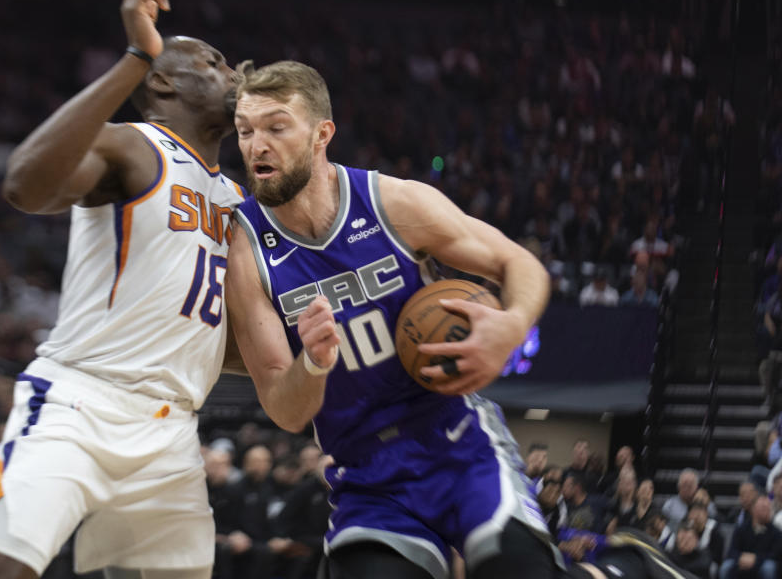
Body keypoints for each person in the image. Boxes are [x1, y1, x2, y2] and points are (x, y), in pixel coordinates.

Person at [226, 60, 693, 579]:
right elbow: (284, 409)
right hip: (365, 477)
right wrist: (311, 365)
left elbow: (519, 264)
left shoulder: (393, 204)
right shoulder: (246, 252)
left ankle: (631, 567)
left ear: (321, 134)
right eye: (245, 131)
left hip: (454, 443)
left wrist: (512, 326)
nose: (256, 145)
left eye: (275, 127)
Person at [0, 0, 245, 579]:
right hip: (81, 400)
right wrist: (137, 57)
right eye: (213, 64)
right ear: (165, 81)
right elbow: (24, 185)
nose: (233, 74)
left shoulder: (237, 198)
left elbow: (221, 336)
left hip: (173, 429)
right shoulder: (133, 146)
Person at [720, 495, 781, 579]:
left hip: (762, 562)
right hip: (742, 562)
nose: (767, 511)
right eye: (763, 508)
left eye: (768, 508)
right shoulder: (741, 529)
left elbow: (775, 554)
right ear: (753, 509)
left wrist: (756, 559)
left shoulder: (775, 532)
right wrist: (740, 558)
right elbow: (732, 550)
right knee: (726, 567)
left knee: (769, 568)